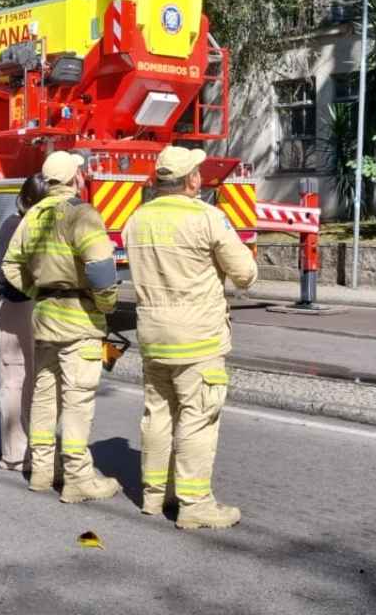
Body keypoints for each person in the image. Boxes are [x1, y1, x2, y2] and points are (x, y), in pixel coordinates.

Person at [122, 145, 257, 530]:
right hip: (197, 339)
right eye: (198, 171)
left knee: (158, 413)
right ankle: (194, 503)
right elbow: (245, 273)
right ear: (192, 180)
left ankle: (152, 495)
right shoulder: (208, 218)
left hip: (152, 336)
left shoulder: (137, 220)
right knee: (198, 417)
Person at [0, 151, 121, 503]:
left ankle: (41, 471)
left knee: (44, 398)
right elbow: (100, 268)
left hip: (44, 320)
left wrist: (37, 290)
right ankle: (78, 478)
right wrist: (106, 304)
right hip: (79, 321)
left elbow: (10, 267)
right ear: (75, 179)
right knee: (77, 401)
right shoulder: (82, 214)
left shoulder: (33, 216)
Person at [0, 173, 47, 472]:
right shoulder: (31, 227)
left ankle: (15, 453)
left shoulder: (11, 225)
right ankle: (33, 452)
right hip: (31, 308)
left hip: (15, 307)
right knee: (32, 381)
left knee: (15, 379)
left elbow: (5, 275)